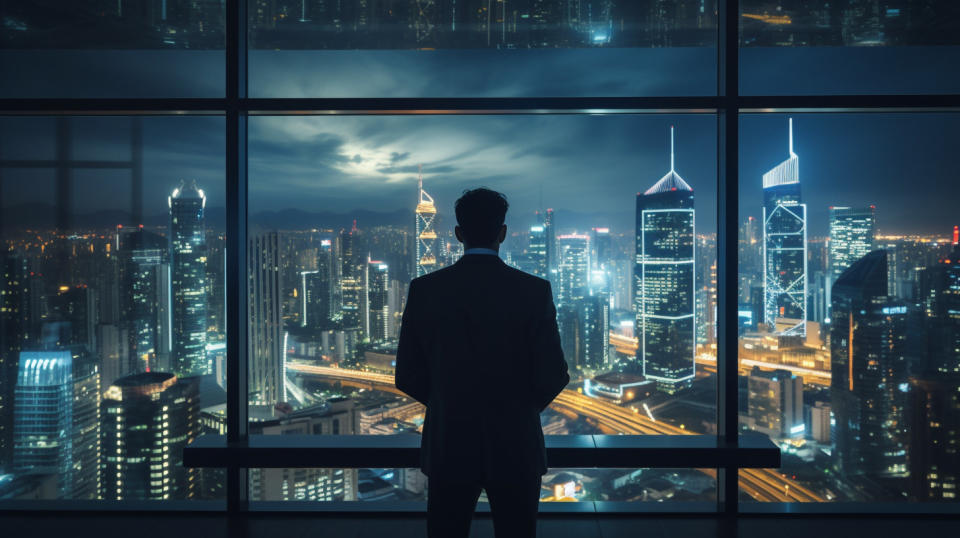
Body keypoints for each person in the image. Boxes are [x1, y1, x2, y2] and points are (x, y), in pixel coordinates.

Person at [396, 187, 569, 538]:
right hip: (516, 444)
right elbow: (554, 374)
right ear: (502, 233)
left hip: (450, 444)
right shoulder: (534, 291)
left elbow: (407, 374)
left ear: (458, 233)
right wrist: (516, 410)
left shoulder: (425, 289)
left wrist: (449, 403)